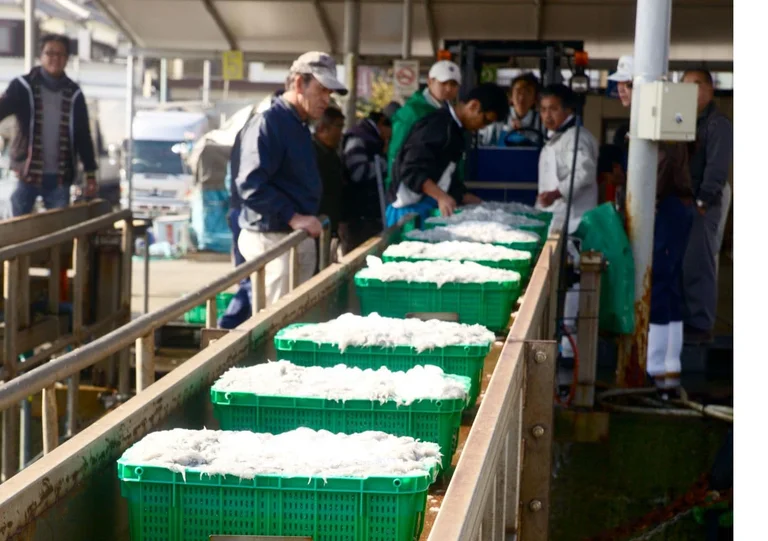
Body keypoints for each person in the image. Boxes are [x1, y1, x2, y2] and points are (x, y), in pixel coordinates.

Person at [603, 56, 695, 391]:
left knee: (658, 282)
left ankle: (656, 366)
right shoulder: (646, 119)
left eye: (625, 85)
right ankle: (666, 368)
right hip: (671, 207)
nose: (620, 91)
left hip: (668, 208)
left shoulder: (653, 121)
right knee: (666, 284)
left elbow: (663, 164)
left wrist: (646, 200)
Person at [235, 52, 347, 306]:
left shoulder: (298, 123)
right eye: (321, 90)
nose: (325, 100)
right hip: (272, 236)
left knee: (294, 315)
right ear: (299, 84)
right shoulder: (270, 122)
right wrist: (293, 216)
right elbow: (250, 184)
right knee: (276, 320)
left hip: (293, 234)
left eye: (329, 93)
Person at [385, 83, 509, 227]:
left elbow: (446, 174)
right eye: (485, 120)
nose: (483, 127)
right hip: (407, 211)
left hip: (425, 206)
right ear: (473, 105)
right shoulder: (437, 125)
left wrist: (463, 196)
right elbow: (411, 170)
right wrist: (441, 196)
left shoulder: (456, 131)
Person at [0, 34, 98, 217]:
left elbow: (83, 135)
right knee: (17, 228)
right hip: (26, 174)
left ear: (67, 59)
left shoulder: (74, 93)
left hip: (59, 177)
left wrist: (90, 173)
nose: (55, 58)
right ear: (41, 56)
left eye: (60, 54)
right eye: (50, 53)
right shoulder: (22, 86)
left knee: (57, 233)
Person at [536, 84, 598, 360]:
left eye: (553, 109)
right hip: (557, 220)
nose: (547, 115)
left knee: (571, 286)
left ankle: (570, 351)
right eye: (543, 109)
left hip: (574, 222)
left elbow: (583, 172)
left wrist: (557, 192)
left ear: (569, 110)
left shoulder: (576, 138)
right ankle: (560, 343)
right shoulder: (556, 138)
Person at [217, 89, 284, 329]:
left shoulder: (252, 128)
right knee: (249, 278)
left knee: (250, 277)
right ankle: (226, 329)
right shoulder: (262, 128)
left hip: (244, 212)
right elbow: (246, 182)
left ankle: (231, 328)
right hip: (248, 215)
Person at [680, 69, 733, 344]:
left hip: (704, 202)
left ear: (710, 90)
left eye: (697, 85)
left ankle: (701, 325)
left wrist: (702, 201)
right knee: (684, 262)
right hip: (684, 201)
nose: (691, 92)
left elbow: (717, 168)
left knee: (699, 262)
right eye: (685, 86)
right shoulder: (683, 120)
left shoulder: (717, 124)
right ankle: (686, 320)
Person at [385, 60, 462, 190]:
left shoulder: (451, 114)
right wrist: (394, 186)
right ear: (430, 81)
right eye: (443, 83)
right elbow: (396, 151)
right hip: (409, 189)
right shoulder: (412, 112)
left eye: (453, 84)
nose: (448, 89)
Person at [339, 103, 399, 253]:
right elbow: (358, 172)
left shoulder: (373, 139)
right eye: (391, 130)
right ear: (381, 124)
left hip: (370, 215)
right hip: (358, 216)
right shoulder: (358, 137)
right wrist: (385, 163)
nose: (391, 136)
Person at [312, 106, 346, 253]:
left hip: (331, 223)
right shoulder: (311, 153)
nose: (341, 133)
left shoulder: (332, 153)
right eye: (338, 127)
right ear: (322, 128)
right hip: (316, 223)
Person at [479, 73, 542, 147]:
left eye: (528, 92)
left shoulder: (541, 121)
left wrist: (524, 133)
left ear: (535, 99)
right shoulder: (498, 117)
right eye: (518, 92)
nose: (522, 98)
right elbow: (483, 144)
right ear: (510, 97)